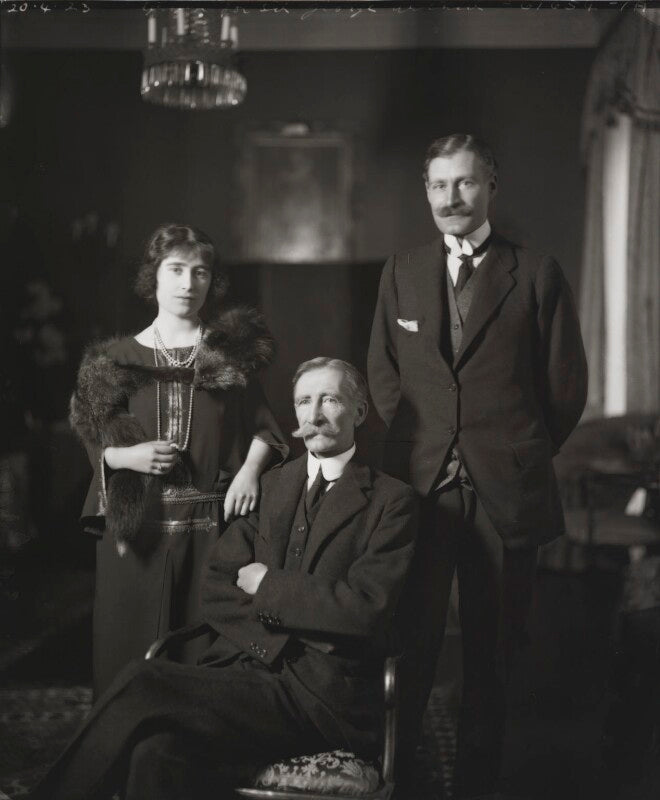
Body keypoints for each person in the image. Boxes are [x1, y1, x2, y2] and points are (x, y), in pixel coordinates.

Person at [32, 358, 418, 800]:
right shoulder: (272, 485)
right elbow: (217, 587)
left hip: (323, 700)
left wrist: (267, 585)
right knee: (153, 752)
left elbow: (363, 609)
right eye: (304, 402)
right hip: (247, 678)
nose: (314, 416)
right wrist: (301, 626)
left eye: (330, 400)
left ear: (360, 412)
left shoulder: (392, 502)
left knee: (145, 679)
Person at [368, 134, 588, 797]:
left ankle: (477, 786)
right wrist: (421, 444)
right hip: (422, 489)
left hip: (506, 494)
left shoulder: (537, 271)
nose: (450, 198)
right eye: (438, 185)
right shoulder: (401, 271)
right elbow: (384, 374)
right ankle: (400, 781)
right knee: (411, 648)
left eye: (464, 183)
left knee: (493, 658)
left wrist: (515, 452)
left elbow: (566, 387)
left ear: (492, 185)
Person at [70, 223, 288, 697]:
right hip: (139, 528)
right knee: (128, 652)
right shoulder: (116, 358)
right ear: (154, 276)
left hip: (211, 526)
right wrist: (127, 455)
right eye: (176, 270)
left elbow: (264, 427)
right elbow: (93, 433)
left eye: (200, 272)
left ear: (212, 281)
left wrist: (250, 470)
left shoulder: (230, 354)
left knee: (206, 651)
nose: (188, 283)